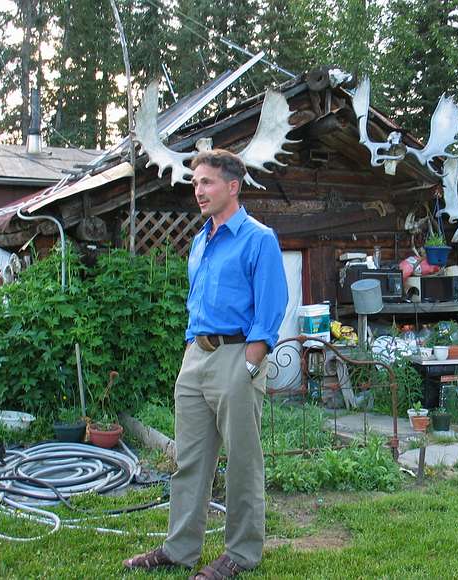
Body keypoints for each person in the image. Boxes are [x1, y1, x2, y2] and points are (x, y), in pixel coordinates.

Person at [124, 149, 288, 578]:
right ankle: (180, 549)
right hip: (195, 357)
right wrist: (189, 348)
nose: (198, 190)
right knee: (189, 460)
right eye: (196, 183)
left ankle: (241, 554)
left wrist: (252, 361)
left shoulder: (258, 239)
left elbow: (272, 306)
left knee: (243, 461)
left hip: (239, 356)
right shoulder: (201, 240)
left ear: (232, 187)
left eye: (207, 182)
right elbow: (199, 300)